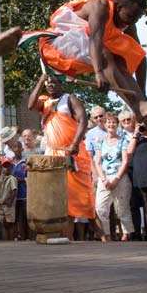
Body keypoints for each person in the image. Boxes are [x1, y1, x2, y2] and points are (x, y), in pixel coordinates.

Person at [23, 0, 147, 124]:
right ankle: (138, 108)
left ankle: (142, 111)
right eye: (129, 16)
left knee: (122, 58)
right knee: (106, 54)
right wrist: (99, 73)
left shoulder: (129, 24)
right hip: (56, 44)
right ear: (119, 7)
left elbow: (139, 56)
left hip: (84, 45)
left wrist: (143, 97)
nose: (130, 22)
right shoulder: (101, 7)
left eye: (135, 19)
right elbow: (95, 39)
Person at [28, 74, 95, 240]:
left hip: (71, 153)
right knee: (55, 195)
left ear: (61, 84)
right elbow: (30, 105)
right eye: (48, 83)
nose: (50, 85)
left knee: (74, 197)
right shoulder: (44, 101)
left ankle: (97, 236)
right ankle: (60, 235)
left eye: (53, 82)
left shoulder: (70, 100)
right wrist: (40, 81)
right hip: (52, 153)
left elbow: (83, 121)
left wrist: (74, 144)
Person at [94, 113, 133, 242]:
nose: (111, 125)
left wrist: (116, 178)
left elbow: (125, 161)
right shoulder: (100, 142)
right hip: (104, 177)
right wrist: (104, 179)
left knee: (122, 207)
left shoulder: (123, 140)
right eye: (108, 122)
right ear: (105, 125)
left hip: (119, 177)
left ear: (117, 125)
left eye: (114, 122)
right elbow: (98, 162)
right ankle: (106, 235)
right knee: (100, 207)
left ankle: (126, 234)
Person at [118, 111, 144, 241]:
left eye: (129, 119)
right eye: (123, 120)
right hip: (128, 171)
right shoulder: (118, 135)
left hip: (142, 169)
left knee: (145, 203)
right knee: (132, 204)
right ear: (120, 123)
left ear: (133, 120)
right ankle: (136, 234)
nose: (127, 122)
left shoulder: (141, 132)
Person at [0, 159, 17, 240]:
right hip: (2, 204)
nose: (6, 168)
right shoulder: (1, 179)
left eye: (8, 166)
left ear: (11, 167)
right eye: (5, 166)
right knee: (4, 223)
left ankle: (11, 239)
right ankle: (7, 239)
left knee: (10, 223)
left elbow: (14, 191)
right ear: (2, 168)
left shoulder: (12, 179)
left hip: (9, 204)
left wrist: (10, 202)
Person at [10, 141, 29, 240]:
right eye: (14, 147)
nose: (17, 149)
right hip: (14, 196)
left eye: (18, 147)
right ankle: (17, 236)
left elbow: (30, 177)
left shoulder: (25, 162)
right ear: (12, 149)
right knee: (15, 218)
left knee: (25, 217)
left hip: (24, 194)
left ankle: (27, 236)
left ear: (22, 149)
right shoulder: (10, 163)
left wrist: (21, 180)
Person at [85, 106, 108, 186]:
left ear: (105, 115)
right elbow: (89, 157)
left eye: (101, 116)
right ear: (93, 119)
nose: (99, 118)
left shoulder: (115, 129)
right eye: (96, 117)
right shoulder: (90, 134)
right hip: (100, 170)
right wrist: (94, 174)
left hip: (115, 169)